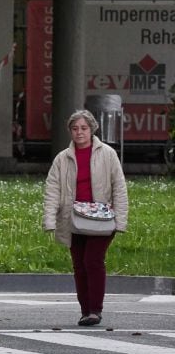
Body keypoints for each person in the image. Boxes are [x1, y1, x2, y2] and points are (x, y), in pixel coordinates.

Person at [42, 109, 128, 327]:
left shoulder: (107, 154)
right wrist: (49, 220)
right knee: (79, 265)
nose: (79, 132)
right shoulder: (62, 158)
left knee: (93, 260)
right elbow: (52, 190)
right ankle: (85, 311)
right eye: (75, 128)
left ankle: (95, 310)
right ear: (70, 131)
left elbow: (119, 187)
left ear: (92, 130)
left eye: (83, 128)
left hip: (102, 219)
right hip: (73, 219)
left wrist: (121, 221)